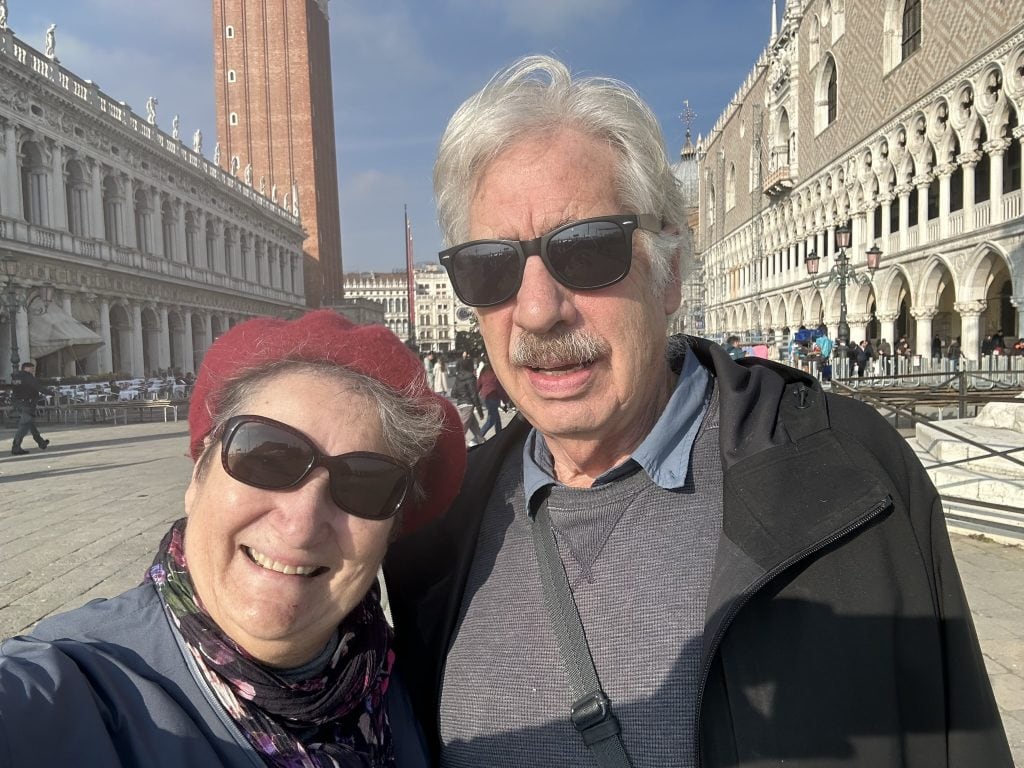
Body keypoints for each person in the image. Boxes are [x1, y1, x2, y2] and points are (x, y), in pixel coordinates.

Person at [383, 55, 1012, 768]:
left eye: (587, 250)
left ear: (671, 274)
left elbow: (956, 741)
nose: (536, 311)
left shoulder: (851, 473)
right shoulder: (433, 533)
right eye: (490, 266)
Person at [0, 310, 466, 767]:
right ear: (197, 477)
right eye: (267, 457)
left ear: (391, 531)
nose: (301, 523)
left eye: (366, 483)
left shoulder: (406, 680)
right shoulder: (76, 682)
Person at [9, 361, 50, 455]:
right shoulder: (27, 377)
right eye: (32, 368)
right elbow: (38, 388)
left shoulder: (16, 377)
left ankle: (41, 442)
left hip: (18, 403)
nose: (33, 370)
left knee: (30, 423)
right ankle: (16, 447)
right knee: (24, 426)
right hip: (26, 403)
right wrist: (51, 393)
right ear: (26, 368)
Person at [449, 357, 484, 446]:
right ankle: (452, 446)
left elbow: (453, 393)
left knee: (475, 427)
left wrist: (461, 395)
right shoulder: (471, 377)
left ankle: (482, 442)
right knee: (461, 430)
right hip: (468, 405)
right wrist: (480, 411)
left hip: (461, 404)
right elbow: (474, 395)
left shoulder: (458, 377)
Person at [477, 362, 508, 438]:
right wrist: (505, 400)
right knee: (491, 420)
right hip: (493, 397)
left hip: (485, 397)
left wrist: (476, 394)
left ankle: (499, 435)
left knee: (496, 417)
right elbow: (499, 389)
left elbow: (478, 384)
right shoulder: (495, 374)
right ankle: (479, 437)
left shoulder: (483, 373)